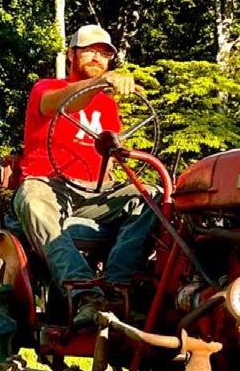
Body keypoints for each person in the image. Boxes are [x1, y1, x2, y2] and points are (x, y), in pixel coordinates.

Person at [14, 24, 158, 328]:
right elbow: (62, 102)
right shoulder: (47, 88)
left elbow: (110, 151)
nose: (97, 57)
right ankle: (84, 294)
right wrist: (99, 84)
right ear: (71, 54)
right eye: (90, 50)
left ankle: (118, 288)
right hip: (48, 185)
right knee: (31, 201)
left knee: (153, 196)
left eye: (104, 53)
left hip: (95, 193)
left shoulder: (107, 104)